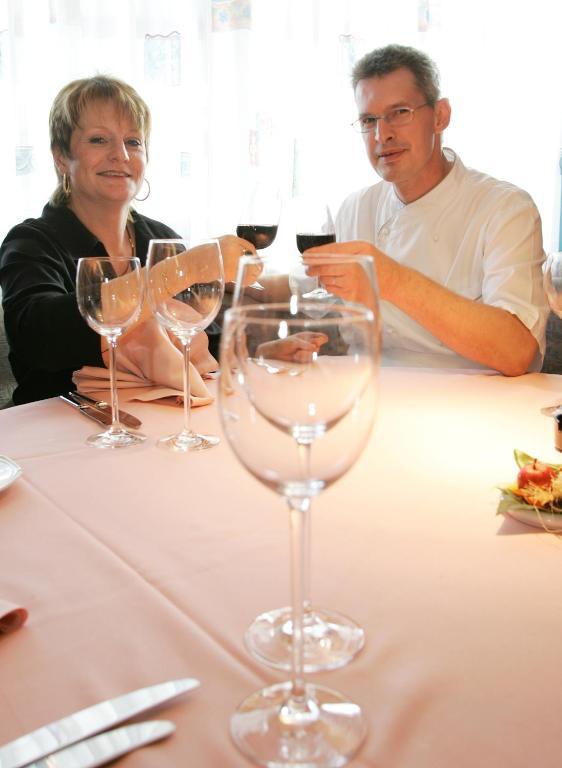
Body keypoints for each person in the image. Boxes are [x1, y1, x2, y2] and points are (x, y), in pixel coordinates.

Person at [0, 75, 253, 404]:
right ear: (61, 157)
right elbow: (40, 341)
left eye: (133, 142)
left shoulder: (161, 240)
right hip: (60, 432)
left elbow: (201, 340)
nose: (120, 154)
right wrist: (185, 269)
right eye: (98, 140)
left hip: (159, 423)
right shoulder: (31, 242)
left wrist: (261, 345)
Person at [304, 44, 548, 375]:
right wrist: (291, 346)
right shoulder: (355, 209)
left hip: (476, 405)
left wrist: (392, 280)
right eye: (368, 120)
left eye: (399, 113)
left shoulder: (504, 209)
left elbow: (518, 351)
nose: (382, 134)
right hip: (365, 399)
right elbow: (321, 308)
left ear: (440, 116)